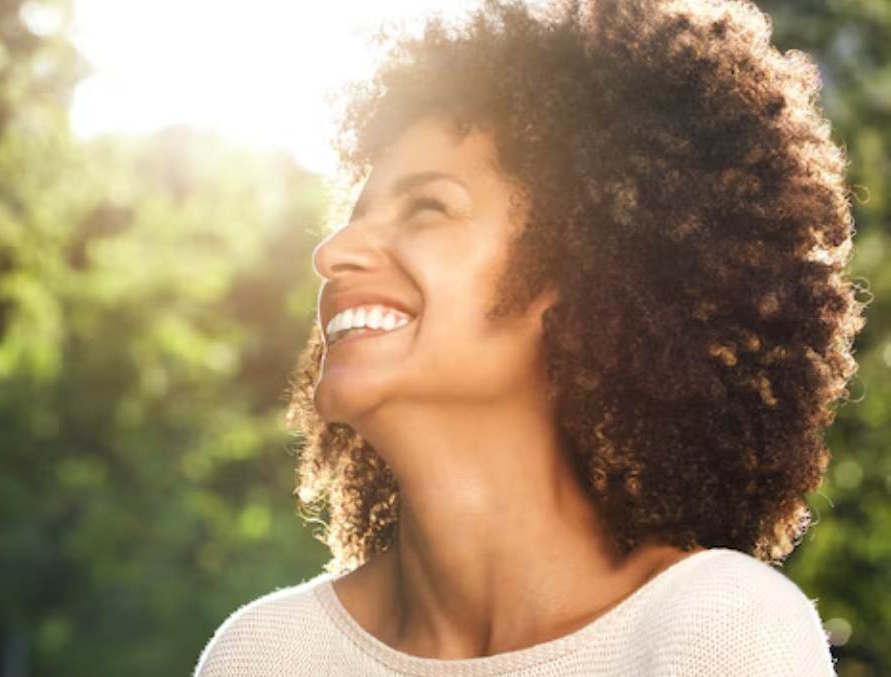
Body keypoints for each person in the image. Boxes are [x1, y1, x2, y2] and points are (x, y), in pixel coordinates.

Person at [194, 0, 865, 674]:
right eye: (354, 217)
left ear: (581, 274)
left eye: (427, 207)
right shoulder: (266, 653)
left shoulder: (718, 629)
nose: (333, 251)